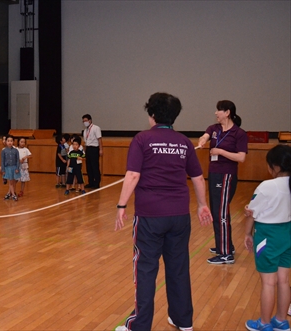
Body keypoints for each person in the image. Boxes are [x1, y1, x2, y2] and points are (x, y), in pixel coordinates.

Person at [114, 93, 213, 331]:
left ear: (153, 114)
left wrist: (121, 205)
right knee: (178, 268)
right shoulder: (184, 142)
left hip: (150, 217)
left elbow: (133, 175)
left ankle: (139, 325)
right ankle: (183, 321)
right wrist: (202, 205)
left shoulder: (142, 139)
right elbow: (198, 177)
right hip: (179, 216)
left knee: (146, 269)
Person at [243, 144, 291, 331]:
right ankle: (281, 320)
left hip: (267, 236)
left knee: (268, 282)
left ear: (275, 166)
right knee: (284, 281)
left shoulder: (267, 186)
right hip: (287, 234)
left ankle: (264, 323)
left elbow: (252, 213)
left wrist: (247, 233)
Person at [198, 100, 248, 264]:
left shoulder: (238, 133)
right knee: (216, 210)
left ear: (227, 112)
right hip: (214, 173)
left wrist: (220, 151)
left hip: (227, 175)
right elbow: (205, 136)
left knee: (221, 212)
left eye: (219, 110)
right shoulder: (214, 129)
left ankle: (226, 253)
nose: (216, 113)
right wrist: (203, 141)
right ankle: (224, 245)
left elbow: (241, 157)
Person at [82, 114, 103, 189]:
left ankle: (96, 183)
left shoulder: (96, 128)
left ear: (90, 120)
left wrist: (100, 149)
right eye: (83, 121)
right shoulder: (85, 130)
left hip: (94, 148)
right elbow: (85, 142)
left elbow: (99, 139)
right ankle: (90, 182)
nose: (85, 122)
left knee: (95, 166)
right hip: (88, 149)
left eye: (86, 120)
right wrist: (83, 152)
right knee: (89, 167)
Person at [1, 134, 21, 201]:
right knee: (10, 182)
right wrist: (3, 170)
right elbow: (2, 161)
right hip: (8, 168)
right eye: (8, 141)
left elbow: (17, 160)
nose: (10, 142)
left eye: (11, 141)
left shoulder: (16, 151)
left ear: (13, 142)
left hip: (14, 167)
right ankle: (13, 195)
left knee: (13, 181)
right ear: (6, 142)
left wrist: (17, 168)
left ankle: (9, 194)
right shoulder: (3, 151)